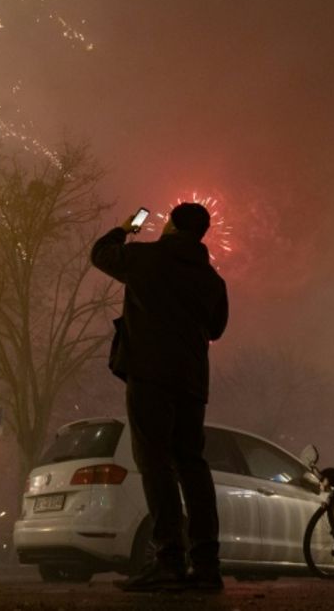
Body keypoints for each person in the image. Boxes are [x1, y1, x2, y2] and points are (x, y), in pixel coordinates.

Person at [91, 202, 229, 592]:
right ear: (201, 234)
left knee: (154, 462)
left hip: (150, 374)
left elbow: (99, 254)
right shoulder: (212, 280)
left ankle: (169, 557)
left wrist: (125, 229)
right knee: (192, 464)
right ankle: (206, 564)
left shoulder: (144, 257)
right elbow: (216, 329)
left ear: (169, 226)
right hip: (192, 381)